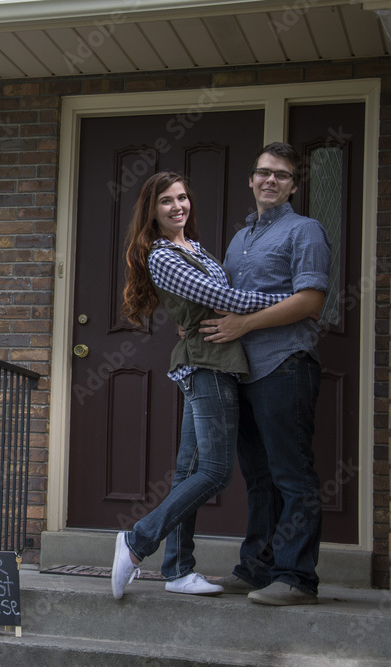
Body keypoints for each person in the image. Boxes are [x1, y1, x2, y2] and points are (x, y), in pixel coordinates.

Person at [112, 171, 296, 600]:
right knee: (214, 472)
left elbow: (219, 294)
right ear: (151, 210)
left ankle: (177, 569)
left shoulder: (193, 247)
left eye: (182, 198)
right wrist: (291, 302)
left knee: (188, 472)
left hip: (218, 359)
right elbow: (227, 300)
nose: (178, 206)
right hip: (206, 364)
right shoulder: (161, 255)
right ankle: (138, 540)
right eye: (166, 201)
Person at [197, 143, 330, 606]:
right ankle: (256, 569)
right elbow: (229, 300)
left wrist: (245, 323)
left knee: (292, 475)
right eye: (263, 173)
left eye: (281, 175)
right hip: (242, 371)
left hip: (285, 364)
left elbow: (311, 301)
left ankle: (296, 578)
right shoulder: (240, 239)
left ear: (293, 185)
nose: (270, 180)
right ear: (251, 180)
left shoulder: (304, 230)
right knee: (258, 478)